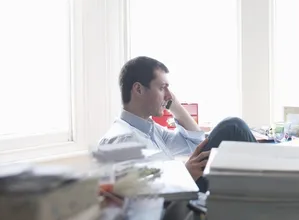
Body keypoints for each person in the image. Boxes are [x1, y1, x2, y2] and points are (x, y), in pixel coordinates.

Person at [99, 56, 256, 192]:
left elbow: (195, 143)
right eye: (162, 88)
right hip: (175, 207)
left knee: (233, 134)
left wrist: (174, 106)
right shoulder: (121, 140)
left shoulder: (150, 129)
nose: (168, 95)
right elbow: (138, 197)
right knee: (233, 127)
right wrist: (186, 173)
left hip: (183, 190)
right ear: (138, 89)